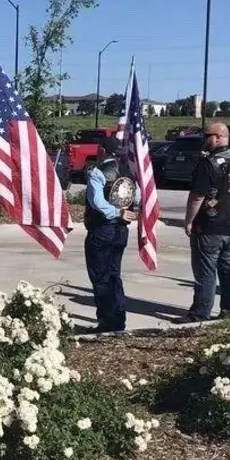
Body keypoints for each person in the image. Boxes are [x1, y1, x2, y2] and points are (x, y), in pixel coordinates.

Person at [184, 122, 230, 321]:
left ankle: (200, 314)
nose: (204, 140)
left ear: (218, 136)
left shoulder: (209, 163)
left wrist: (189, 221)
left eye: (207, 136)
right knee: (229, 271)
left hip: (210, 226)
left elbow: (197, 196)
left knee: (206, 273)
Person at [83, 137, 140, 333]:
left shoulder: (97, 173)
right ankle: (118, 317)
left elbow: (97, 202)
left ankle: (107, 320)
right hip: (121, 230)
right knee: (114, 275)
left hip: (102, 229)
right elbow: (138, 196)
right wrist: (128, 211)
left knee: (101, 277)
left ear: (102, 150)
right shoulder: (129, 173)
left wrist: (116, 212)